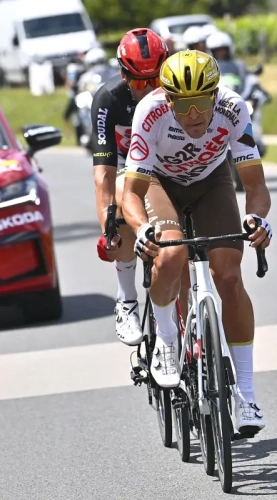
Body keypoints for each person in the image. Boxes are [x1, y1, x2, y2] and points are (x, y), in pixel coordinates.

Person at [121, 50, 272, 434]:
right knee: (171, 254)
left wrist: (258, 220)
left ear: (215, 94)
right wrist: (141, 230)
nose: (194, 115)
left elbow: (255, 185)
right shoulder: (149, 114)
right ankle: (168, 341)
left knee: (229, 276)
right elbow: (130, 194)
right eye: (184, 105)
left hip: (211, 182)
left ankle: (247, 395)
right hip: (159, 182)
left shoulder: (234, 108)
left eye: (202, 102)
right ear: (168, 99)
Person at [90, 28, 169, 346]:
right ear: (124, 75)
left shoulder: (174, 88)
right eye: (139, 82)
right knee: (122, 201)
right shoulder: (108, 99)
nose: (149, 89)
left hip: (168, 164)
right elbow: (103, 175)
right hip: (126, 165)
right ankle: (126, 300)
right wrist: (107, 230)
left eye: (156, 80)